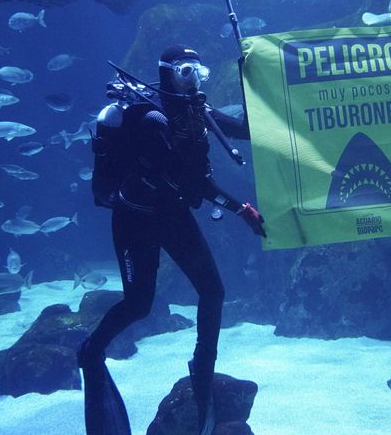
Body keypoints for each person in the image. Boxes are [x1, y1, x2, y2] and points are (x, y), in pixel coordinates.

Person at [79, 44, 266, 435]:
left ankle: (203, 370)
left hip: (173, 214)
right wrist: (242, 210)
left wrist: (253, 79)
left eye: (199, 71)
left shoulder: (197, 112)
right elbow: (196, 183)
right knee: (138, 305)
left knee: (212, 290)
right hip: (135, 220)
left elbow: (247, 130)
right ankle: (91, 351)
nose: (194, 80)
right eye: (185, 72)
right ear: (168, 73)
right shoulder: (152, 120)